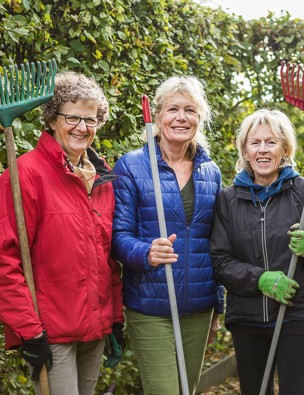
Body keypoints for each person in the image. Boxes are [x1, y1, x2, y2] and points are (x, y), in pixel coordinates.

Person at [0, 71, 125, 395]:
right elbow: (5, 259)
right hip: (50, 332)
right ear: (52, 119)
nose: (82, 128)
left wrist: (114, 318)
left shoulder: (101, 180)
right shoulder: (25, 175)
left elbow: (106, 256)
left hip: (95, 329)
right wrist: (28, 330)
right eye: (73, 118)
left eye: (91, 119)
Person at [210, 108, 304, 395]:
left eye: (270, 142)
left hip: (299, 314)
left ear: (284, 149)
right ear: (245, 151)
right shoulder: (228, 199)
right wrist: (259, 279)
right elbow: (220, 262)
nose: (262, 150)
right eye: (255, 143)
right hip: (247, 318)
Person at [111, 75, 223, 395]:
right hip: (150, 303)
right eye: (173, 109)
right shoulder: (132, 166)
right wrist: (146, 252)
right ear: (158, 116)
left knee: (189, 390)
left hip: (200, 307)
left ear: (200, 118)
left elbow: (217, 244)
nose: (181, 117)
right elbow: (119, 236)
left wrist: (218, 306)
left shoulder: (210, 172)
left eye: (190, 110)